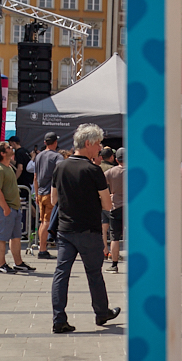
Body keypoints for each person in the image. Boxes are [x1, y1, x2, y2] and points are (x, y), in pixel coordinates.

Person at [49, 124, 121, 334]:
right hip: (88, 230)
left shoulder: (60, 167)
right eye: (98, 143)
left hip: (65, 229)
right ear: (88, 144)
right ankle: (101, 312)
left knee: (61, 274)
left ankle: (58, 318)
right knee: (94, 273)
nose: (100, 147)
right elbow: (107, 205)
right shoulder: (93, 170)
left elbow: (54, 200)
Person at [0, 141, 34, 274]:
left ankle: (18, 263)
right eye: (8, 147)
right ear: (2, 153)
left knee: (15, 237)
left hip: (12, 208)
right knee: (2, 237)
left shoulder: (7, 167)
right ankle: (1, 264)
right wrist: (5, 208)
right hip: (5, 209)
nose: (11, 148)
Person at [34, 132, 63, 259]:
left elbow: (35, 177)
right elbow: (61, 174)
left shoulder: (38, 156)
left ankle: (42, 248)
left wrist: (36, 193)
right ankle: (42, 250)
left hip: (40, 192)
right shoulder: (58, 157)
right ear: (55, 142)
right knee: (47, 222)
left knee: (43, 222)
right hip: (51, 193)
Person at [104, 148, 126, 274]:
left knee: (115, 237)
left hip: (116, 207)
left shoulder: (111, 172)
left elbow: (100, 184)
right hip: (132, 207)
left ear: (116, 159)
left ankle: (114, 264)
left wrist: (108, 195)